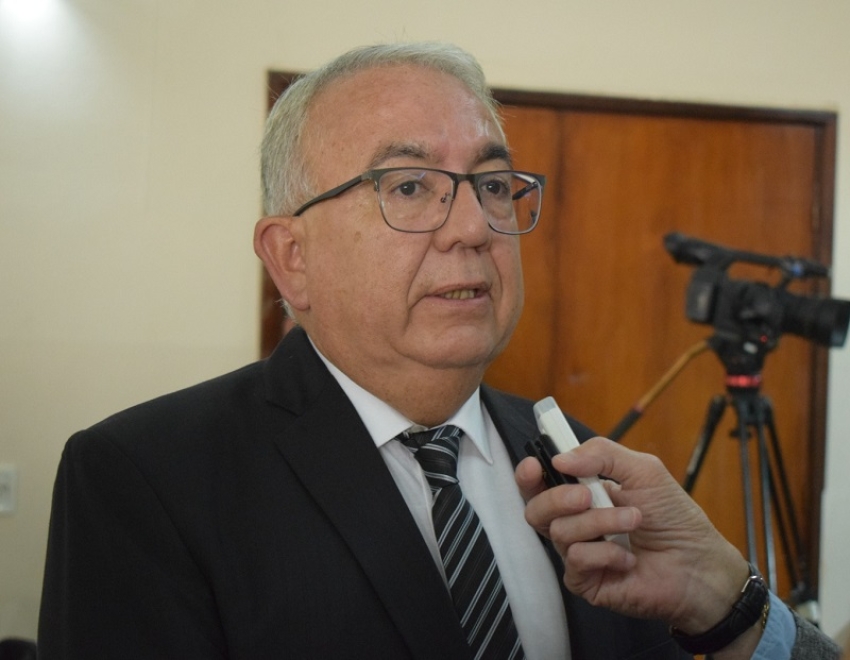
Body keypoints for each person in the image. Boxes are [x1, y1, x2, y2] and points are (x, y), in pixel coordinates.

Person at [37, 42, 840, 659]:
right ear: (292, 257)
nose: (473, 227)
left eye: (492, 185)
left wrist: (723, 601)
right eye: (409, 186)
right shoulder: (146, 480)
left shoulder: (585, 471)